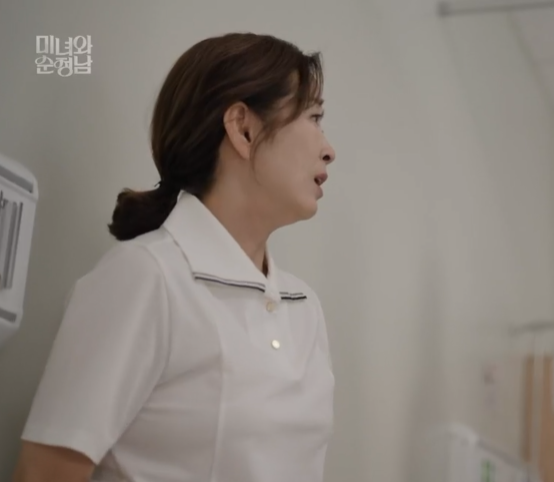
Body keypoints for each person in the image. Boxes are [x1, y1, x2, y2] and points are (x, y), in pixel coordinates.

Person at [13, 32, 337, 482]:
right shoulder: (146, 278)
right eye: (314, 117)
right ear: (243, 128)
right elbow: (43, 472)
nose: (329, 149)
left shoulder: (304, 306)